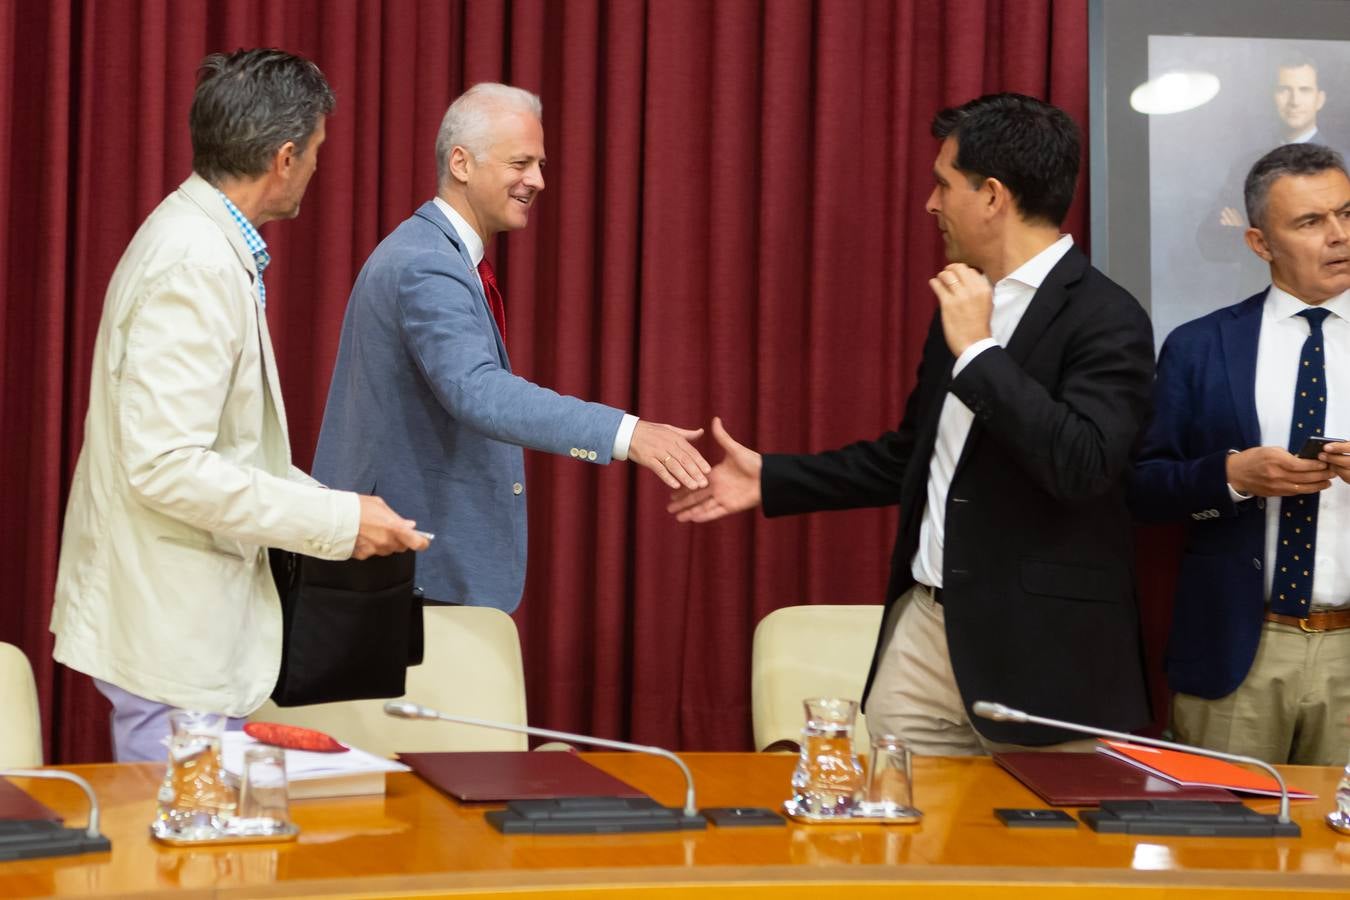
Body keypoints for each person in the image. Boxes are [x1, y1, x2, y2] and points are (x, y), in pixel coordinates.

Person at [670, 93, 1155, 755]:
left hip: (1047, 660)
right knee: (904, 844)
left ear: (991, 196)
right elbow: (913, 460)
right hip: (926, 633)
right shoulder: (962, 298)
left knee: (1038, 856)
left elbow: (1082, 465)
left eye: (943, 185)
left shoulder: (1108, 316)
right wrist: (774, 479)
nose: (930, 204)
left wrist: (981, 354)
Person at [50, 49, 428, 763]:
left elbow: (221, 451)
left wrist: (345, 510)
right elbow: (167, 466)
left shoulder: (202, 242)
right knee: (189, 867)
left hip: (186, 625)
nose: (318, 168)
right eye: (316, 151)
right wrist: (338, 520)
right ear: (284, 157)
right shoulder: (193, 262)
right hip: (170, 631)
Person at [313, 83, 710, 610]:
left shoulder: (437, 254)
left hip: (416, 572)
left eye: (541, 164)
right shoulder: (425, 262)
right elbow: (477, 391)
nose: (538, 181)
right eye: (521, 163)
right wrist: (627, 432)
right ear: (461, 163)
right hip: (407, 576)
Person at [1131, 142, 1350, 765]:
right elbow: (1142, 487)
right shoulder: (1201, 345)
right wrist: (1229, 476)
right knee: (1225, 850)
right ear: (1260, 243)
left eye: (1347, 213)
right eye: (1310, 222)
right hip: (1240, 649)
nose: (1338, 236)